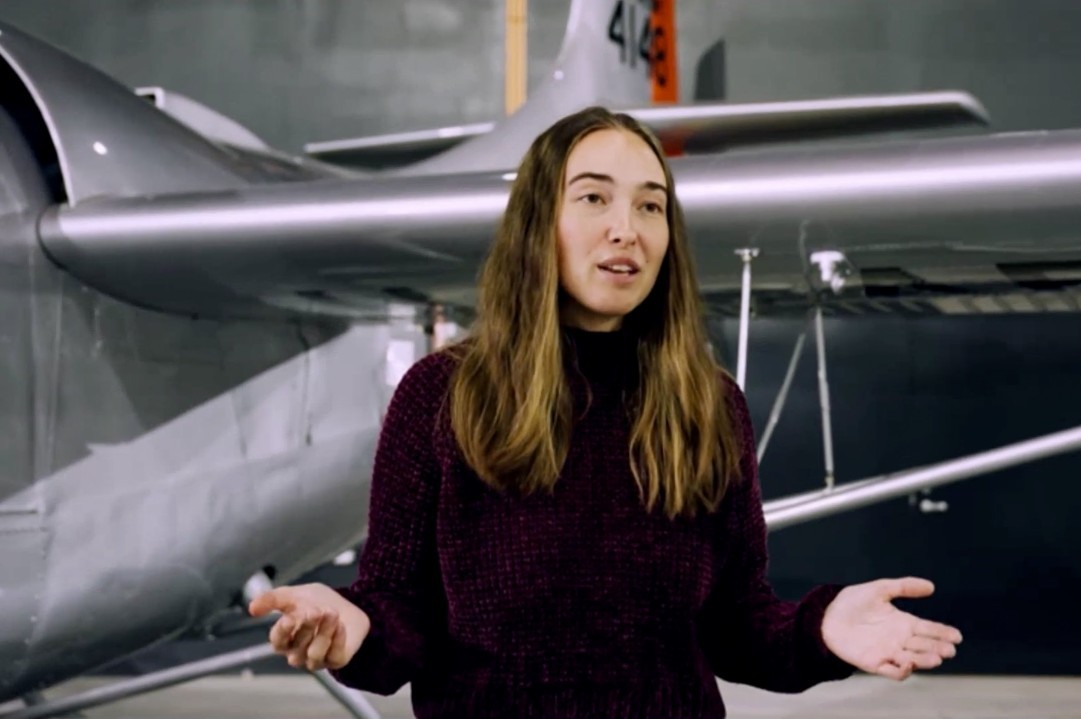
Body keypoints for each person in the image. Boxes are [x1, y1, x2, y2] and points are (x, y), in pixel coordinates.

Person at [249, 106, 963, 718]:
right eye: (594, 198)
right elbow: (400, 623)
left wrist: (820, 627)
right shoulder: (441, 396)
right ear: (538, 222)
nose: (628, 228)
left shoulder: (708, 404)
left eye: (651, 205)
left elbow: (736, 627)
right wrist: (353, 625)